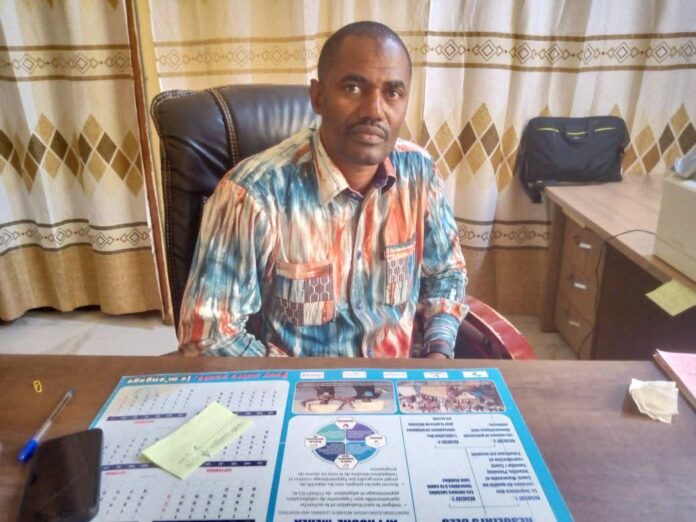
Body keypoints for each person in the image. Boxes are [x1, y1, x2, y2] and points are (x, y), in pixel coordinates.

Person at [178, 21, 468, 358]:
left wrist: (437, 357)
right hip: (294, 384)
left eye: (392, 92)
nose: (374, 111)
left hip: (399, 381)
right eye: (353, 88)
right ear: (318, 97)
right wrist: (301, 383)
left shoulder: (419, 173)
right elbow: (209, 337)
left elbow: (446, 274)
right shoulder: (253, 194)